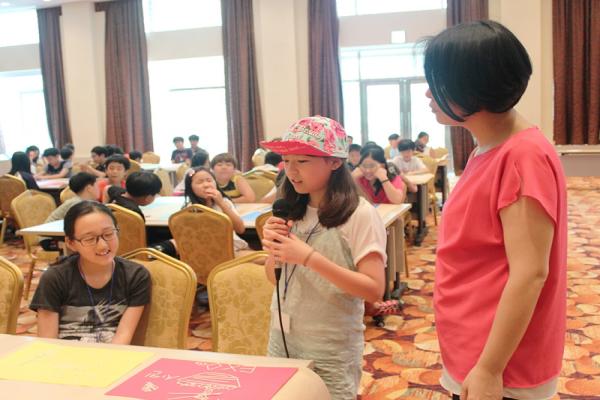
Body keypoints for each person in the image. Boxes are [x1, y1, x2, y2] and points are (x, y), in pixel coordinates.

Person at [425, 20, 567, 400]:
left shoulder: (522, 157)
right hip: (475, 344)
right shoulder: (488, 148)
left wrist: (489, 368)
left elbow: (530, 273)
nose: (428, 93)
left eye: (437, 82)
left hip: (501, 364)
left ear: (471, 88)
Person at [260, 116, 387, 399]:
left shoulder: (360, 214)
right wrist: (274, 249)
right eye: (286, 161)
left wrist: (309, 258)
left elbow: (374, 290)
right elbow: (274, 278)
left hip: (331, 347)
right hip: (282, 337)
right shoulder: (290, 208)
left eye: (302, 161)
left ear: (335, 162)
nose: (292, 171)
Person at [29, 201, 151, 344]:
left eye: (109, 234)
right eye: (89, 239)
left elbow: (124, 335)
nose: (103, 245)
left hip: (113, 354)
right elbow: (47, 341)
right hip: (63, 355)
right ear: (71, 243)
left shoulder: (135, 276)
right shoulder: (55, 278)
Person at [107, 171, 177, 257]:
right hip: (138, 253)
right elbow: (139, 245)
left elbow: (109, 188)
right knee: (176, 242)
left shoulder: (117, 194)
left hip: (117, 246)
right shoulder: (133, 214)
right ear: (147, 198)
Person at [183, 167, 250, 253]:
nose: (206, 185)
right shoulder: (190, 209)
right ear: (191, 188)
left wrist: (221, 203)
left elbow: (240, 229)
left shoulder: (224, 202)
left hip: (233, 246)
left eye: (209, 180)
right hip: (213, 251)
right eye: (200, 182)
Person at [39, 172, 99, 251]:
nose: (98, 189)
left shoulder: (87, 202)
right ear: (89, 188)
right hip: (51, 239)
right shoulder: (76, 204)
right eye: (96, 186)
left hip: (65, 236)